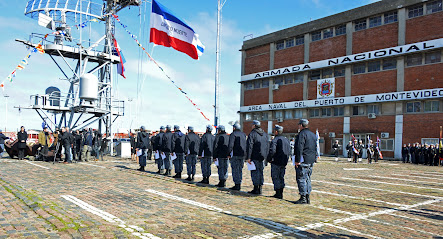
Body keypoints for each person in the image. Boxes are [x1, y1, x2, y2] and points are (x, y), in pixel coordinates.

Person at [293, 119, 317, 204]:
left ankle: (303, 197)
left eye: (299, 125)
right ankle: (307, 197)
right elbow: (315, 148)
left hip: (303, 160)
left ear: (301, 125)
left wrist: (297, 160)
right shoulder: (313, 135)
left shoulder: (301, 134)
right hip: (310, 160)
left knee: (301, 178)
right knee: (308, 179)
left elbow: (299, 148)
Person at [246, 120, 269, 195]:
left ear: (254, 126)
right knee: (261, 172)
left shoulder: (252, 134)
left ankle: (256, 188)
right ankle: (260, 188)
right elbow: (267, 146)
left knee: (255, 172)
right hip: (263, 157)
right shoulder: (265, 134)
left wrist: (248, 157)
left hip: (254, 156)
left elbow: (250, 146)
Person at [268, 125, 291, 199]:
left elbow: (272, 151)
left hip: (276, 161)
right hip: (284, 162)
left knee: (276, 176)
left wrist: (269, 159)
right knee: (281, 177)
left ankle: (278, 192)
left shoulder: (275, 140)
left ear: (276, 132)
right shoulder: (286, 139)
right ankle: (281, 191)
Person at [227, 123, 246, 191]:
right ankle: (239, 182)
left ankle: (237, 184)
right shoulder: (243, 134)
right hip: (242, 155)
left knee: (235, 169)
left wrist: (228, 153)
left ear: (234, 128)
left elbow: (231, 145)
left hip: (235, 154)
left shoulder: (233, 134)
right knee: (240, 169)